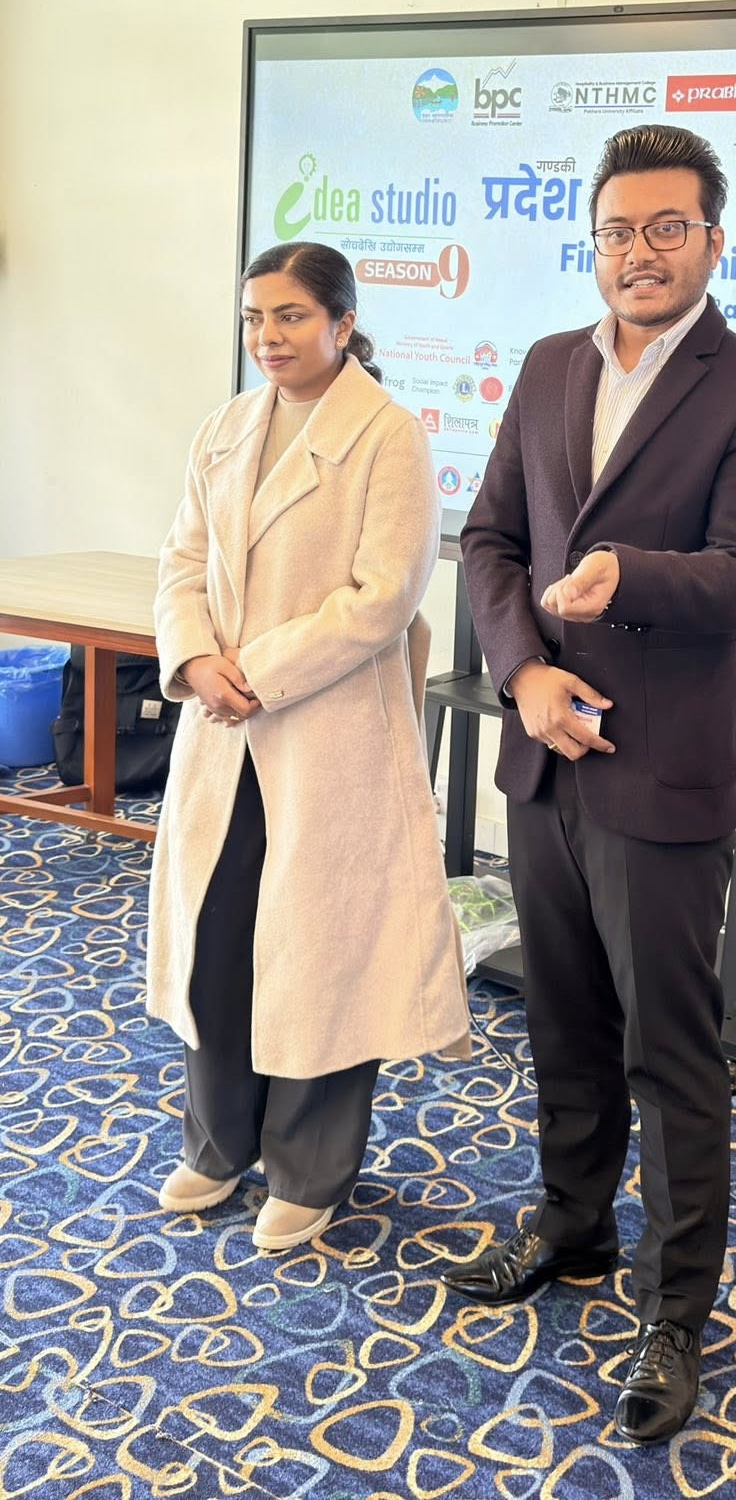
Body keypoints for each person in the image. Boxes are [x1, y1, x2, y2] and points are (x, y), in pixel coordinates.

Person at [445, 124, 736, 1443]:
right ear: (593, 243)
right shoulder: (549, 364)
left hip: (661, 772)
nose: (638, 252)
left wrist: (627, 576)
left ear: (714, 240)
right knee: (562, 1019)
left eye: (666, 228)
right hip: (546, 753)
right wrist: (524, 672)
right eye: (616, 231)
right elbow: (491, 537)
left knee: (671, 1052)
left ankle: (675, 1309)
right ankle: (575, 1222)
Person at [147, 241, 470, 1253]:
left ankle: (310, 1166)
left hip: (327, 734)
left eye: (290, 315)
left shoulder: (389, 435)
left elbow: (383, 597)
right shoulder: (225, 427)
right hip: (223, 729)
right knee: (218, 940)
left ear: (342, 320)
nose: (268, 336)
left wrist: (254, 670)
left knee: (321, 951)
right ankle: (218, 1142)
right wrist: (194, 659)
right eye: (255, 317)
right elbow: (182, 559)